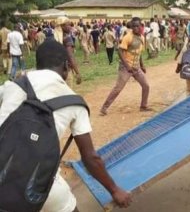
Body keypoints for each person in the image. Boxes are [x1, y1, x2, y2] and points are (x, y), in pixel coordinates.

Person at [0, 40, 132, 212]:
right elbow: (90, 158)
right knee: (62, 203)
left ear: (38, 64)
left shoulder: (12, 85)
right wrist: (115, 190)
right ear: (65, 66)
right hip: (35, 184)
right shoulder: (74, 102)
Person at [100, 17, 151, 115]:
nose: (136, 28)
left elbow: (139, 53)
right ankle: (104, 108)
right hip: (126, 68)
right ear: (131, 27)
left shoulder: (142, 37)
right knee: (118, 88)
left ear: (141, 26)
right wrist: (127, 66)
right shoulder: (128, 37)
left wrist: (142, 65)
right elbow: (120, 51)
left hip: (136, 67)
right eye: (134, 26)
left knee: (146, 86)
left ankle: (143, 106)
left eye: (138, 26)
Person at [56, 17, 82, 85]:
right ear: (62, 26)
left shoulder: (53, 37)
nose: (70, 27)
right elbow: (70, 56)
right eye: (68, 25)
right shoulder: (67, 38)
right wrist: (77, 73)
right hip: (65, 71)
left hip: (54, 71)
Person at [175, 31, 190, 96]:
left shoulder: (186, 47)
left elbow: (180, 59)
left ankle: (188, 100)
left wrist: (178, 69)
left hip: (188, 71)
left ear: (189, 38)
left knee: (189, 89)